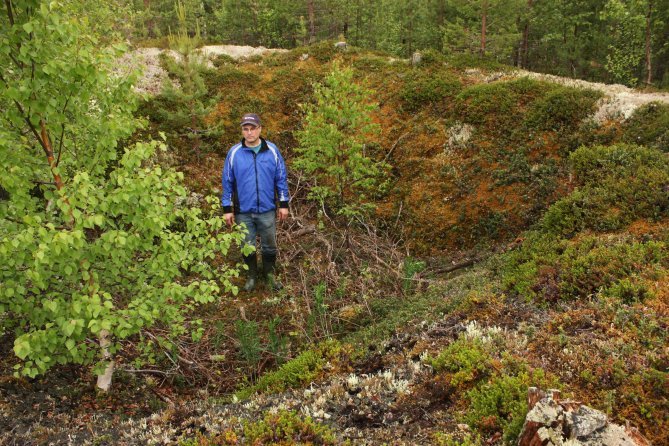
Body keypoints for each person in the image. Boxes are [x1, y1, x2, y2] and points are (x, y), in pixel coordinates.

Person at [222, 113, 290, 292]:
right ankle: (251, 276)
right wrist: (227, 209)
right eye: (246, 129)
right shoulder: (234, 152)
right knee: (247, 245)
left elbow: (281, 178)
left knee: (269, 245)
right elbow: (227, 182)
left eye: (253, 128)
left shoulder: (272, 150)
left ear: (260, 129)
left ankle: (269, 275)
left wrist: (283, 204)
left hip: (267, 209)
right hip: (242, 210)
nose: (249, 132)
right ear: (242, 131)